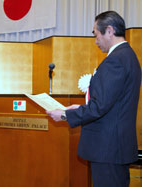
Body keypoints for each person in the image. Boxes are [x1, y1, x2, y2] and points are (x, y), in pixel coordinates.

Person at [46, 11, 141, 187]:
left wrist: (66, 115)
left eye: (96, 34)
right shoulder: (127, 56)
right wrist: (77, 108)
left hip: (108, 148)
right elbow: (110, 102)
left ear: (110, 31)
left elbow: (100, 106)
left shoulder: (116, 60)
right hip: (115, 147)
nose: (95, 41)